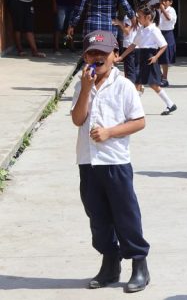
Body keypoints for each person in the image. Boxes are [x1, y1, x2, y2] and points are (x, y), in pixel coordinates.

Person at [70, 30, 150, 292]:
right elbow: (77, 119)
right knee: (98, 216)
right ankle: (110, 264)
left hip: (115, 161)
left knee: (125, 214)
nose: (97, 57)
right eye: (92, 53)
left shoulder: (124, 85)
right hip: (88, 162)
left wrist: (109, 132)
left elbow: (139, 122)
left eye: (103, 53)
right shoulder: (81, 85)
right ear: (85, 57)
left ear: (115, 56)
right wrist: (85, 89)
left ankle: (140, 265)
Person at [117, 6, 177, 115]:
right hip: (141, 56)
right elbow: (133, 45)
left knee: (153, 84)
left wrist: (156, 57)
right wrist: (121, 57)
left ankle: (170, 104)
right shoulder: (141, 29)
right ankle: (134, 108)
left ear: (148, 17)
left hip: (150, 57)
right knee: (137, 83)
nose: (137, 18)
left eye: (139, 16)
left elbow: (164, 45)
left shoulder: (154, 30)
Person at [157, 0, 177, 87]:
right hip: (158, 33)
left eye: (166, 0)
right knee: (155, 55)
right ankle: (159, 75)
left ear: (170, 2)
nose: (164, 2)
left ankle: (165, 78)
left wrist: (162, 9)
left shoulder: (171, 10)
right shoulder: (158, 10)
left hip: (167, 33)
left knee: (165, 57)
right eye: (162, 0)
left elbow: (169, 18)